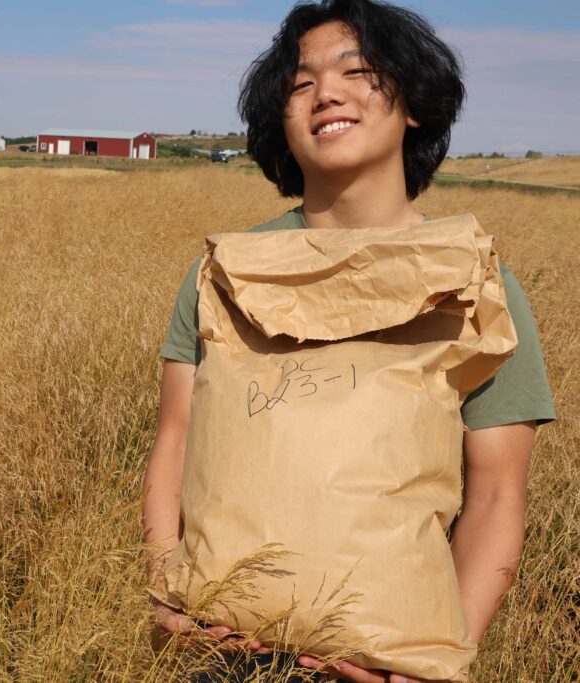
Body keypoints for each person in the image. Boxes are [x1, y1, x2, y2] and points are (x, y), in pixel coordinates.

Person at [142, 1, 557, 682]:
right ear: (281, 119)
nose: (325, 93)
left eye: (357, 71)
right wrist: (166, 589)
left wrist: (434, 658)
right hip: (218, 656)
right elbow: (175, 441)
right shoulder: (222, 273)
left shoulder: (477, 283)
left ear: (415, 103)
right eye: (300, 84)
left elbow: (495, 495)